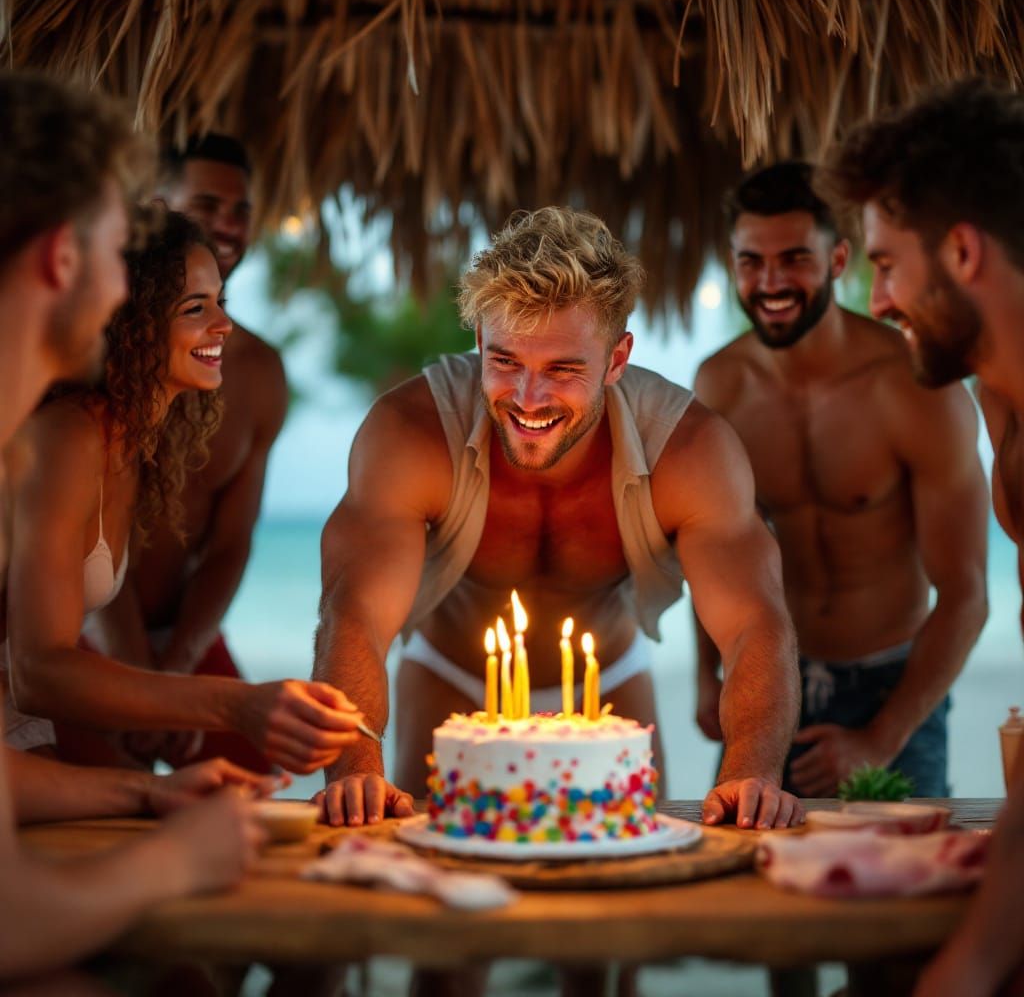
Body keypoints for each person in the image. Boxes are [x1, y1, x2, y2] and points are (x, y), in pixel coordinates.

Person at [314, 206, 803, 831]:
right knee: (415, 870)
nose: (527, 399)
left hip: (609, 685)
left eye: (564, 369)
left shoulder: (690, 450)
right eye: (506, 361)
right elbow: (353, 613)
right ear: (479, 344)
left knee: (629, 897)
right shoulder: (410, 433)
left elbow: (753, 625)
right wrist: (355, 764)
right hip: (450, 677)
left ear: (618, 357)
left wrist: (752, 773)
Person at [0, 69, 270, 987]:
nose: (222, 325)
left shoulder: (121, 438)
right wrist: (177, 850)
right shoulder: (57, 438)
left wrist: (147, 796)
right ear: (60, 262)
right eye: (121, 254)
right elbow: (37, 665)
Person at [3, 210, 365, 776]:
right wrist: (233, 703)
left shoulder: (135, 438)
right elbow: (37, 671)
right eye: (195, 308)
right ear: (130, 322)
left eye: (220, 301)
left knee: (239, 796)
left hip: (21, 710)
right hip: (19, 704)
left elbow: (229, 548)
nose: (223, 324)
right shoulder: (68, 435)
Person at [818, 78, 1024, 997]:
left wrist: (969, 968)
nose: (879, 298)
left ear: (964, 251)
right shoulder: (996, 406)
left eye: (888, 265)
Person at [694, 162, 988, 798]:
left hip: (893, 686)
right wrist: (704, 673)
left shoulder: (915, 387)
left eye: (795, 258)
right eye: (751, 261)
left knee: (903, 884)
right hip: (769, 676)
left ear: (838, 259)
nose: (771, 282)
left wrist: (880, 737)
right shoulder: (719, 387)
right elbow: (708, 541)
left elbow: (966, 594)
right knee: (756, 877)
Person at [97, 134, 288, 772]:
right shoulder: (98, 354)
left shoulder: (259, 371)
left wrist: (178, 669)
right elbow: (90, 538)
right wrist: (140, 681)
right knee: (100, 809)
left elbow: (232, 542)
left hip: (184, 638)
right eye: (208, 205)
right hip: (82, 623)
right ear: (158, 206)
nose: (229, 226)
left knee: (253, 787)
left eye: (241, 211)